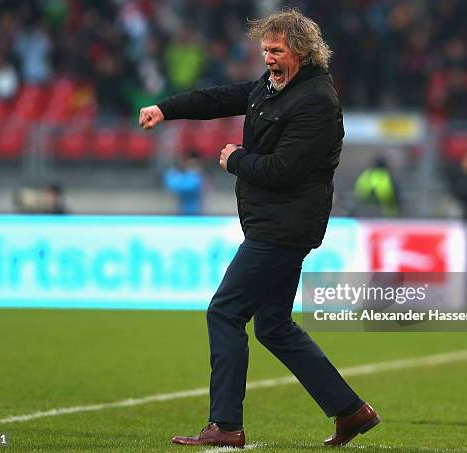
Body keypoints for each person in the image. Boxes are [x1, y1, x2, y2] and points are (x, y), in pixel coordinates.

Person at [139, 9, 379, 448]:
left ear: (303, 52)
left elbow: (285, 169)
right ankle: (351, 411)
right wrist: (165, 109)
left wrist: (235, 160)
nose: (268, 58)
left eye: (277, 50)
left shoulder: (317, 102)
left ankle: (226, 426)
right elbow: (219, 99)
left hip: (283, 228)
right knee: (273, 325)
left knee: (225, 312)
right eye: (265, 49)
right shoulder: (271, 89)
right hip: (272, 224)